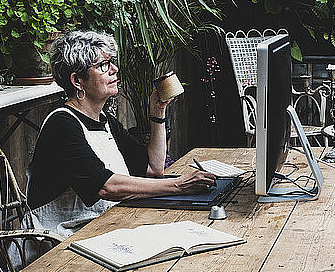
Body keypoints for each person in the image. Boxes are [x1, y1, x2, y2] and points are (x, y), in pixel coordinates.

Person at [24, 30, 216, 238]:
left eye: (111, 62)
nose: (114, 69)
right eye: (103, 65)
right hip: (55, 242)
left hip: (99, 230)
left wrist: (158, 112)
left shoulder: (105, 121)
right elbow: (106, 187)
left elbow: (153, 168)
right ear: (77, 80)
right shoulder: (61, 124)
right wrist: (179, 185)